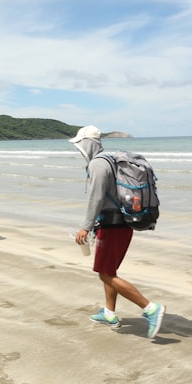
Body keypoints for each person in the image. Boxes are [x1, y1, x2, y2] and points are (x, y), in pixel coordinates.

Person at [70, 125, 166, 339]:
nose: (79, 149)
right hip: (123, 225)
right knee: (109, 272)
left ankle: (150, 308)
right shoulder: (112, 160)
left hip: (111, 226)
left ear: (87, 144)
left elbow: (95, 198)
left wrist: (86, 226)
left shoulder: (97, 164)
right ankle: (109, 313)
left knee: (105, 273)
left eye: (80, 144)